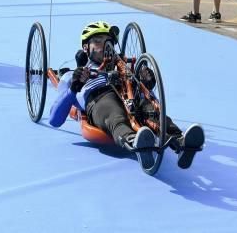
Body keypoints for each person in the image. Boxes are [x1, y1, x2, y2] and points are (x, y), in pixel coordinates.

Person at [48, 21, 205, 170]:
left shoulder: (124, 68)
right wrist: (74, 88)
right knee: (113, 112)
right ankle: (134, 141)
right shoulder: (73, 75)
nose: (104, 45)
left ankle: (180, 140)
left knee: (151, 109)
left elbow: (148, 94)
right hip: (99, 98)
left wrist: (147, 82)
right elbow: (54, 120)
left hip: (129, 92)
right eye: (97, 41)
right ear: (85, 48)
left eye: (108, 41)